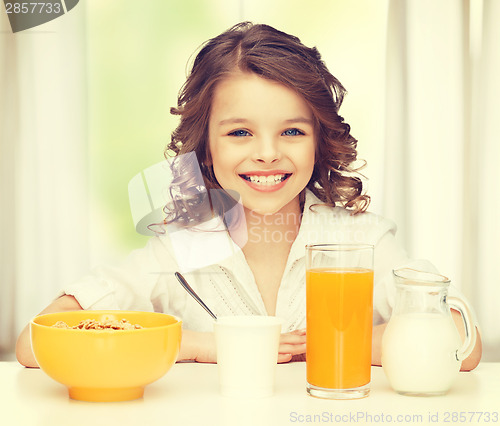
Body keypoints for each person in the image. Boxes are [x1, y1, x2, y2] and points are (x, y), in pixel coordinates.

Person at [16, 22, 482, 369]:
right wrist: (204, 346)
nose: (267, 154)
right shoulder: (178, 252)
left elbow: (464, 342)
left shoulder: (364, 242)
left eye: (292, 131)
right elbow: (37, 342)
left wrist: (335, 340)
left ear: (319, 140)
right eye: (240, 131)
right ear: (206, 145)